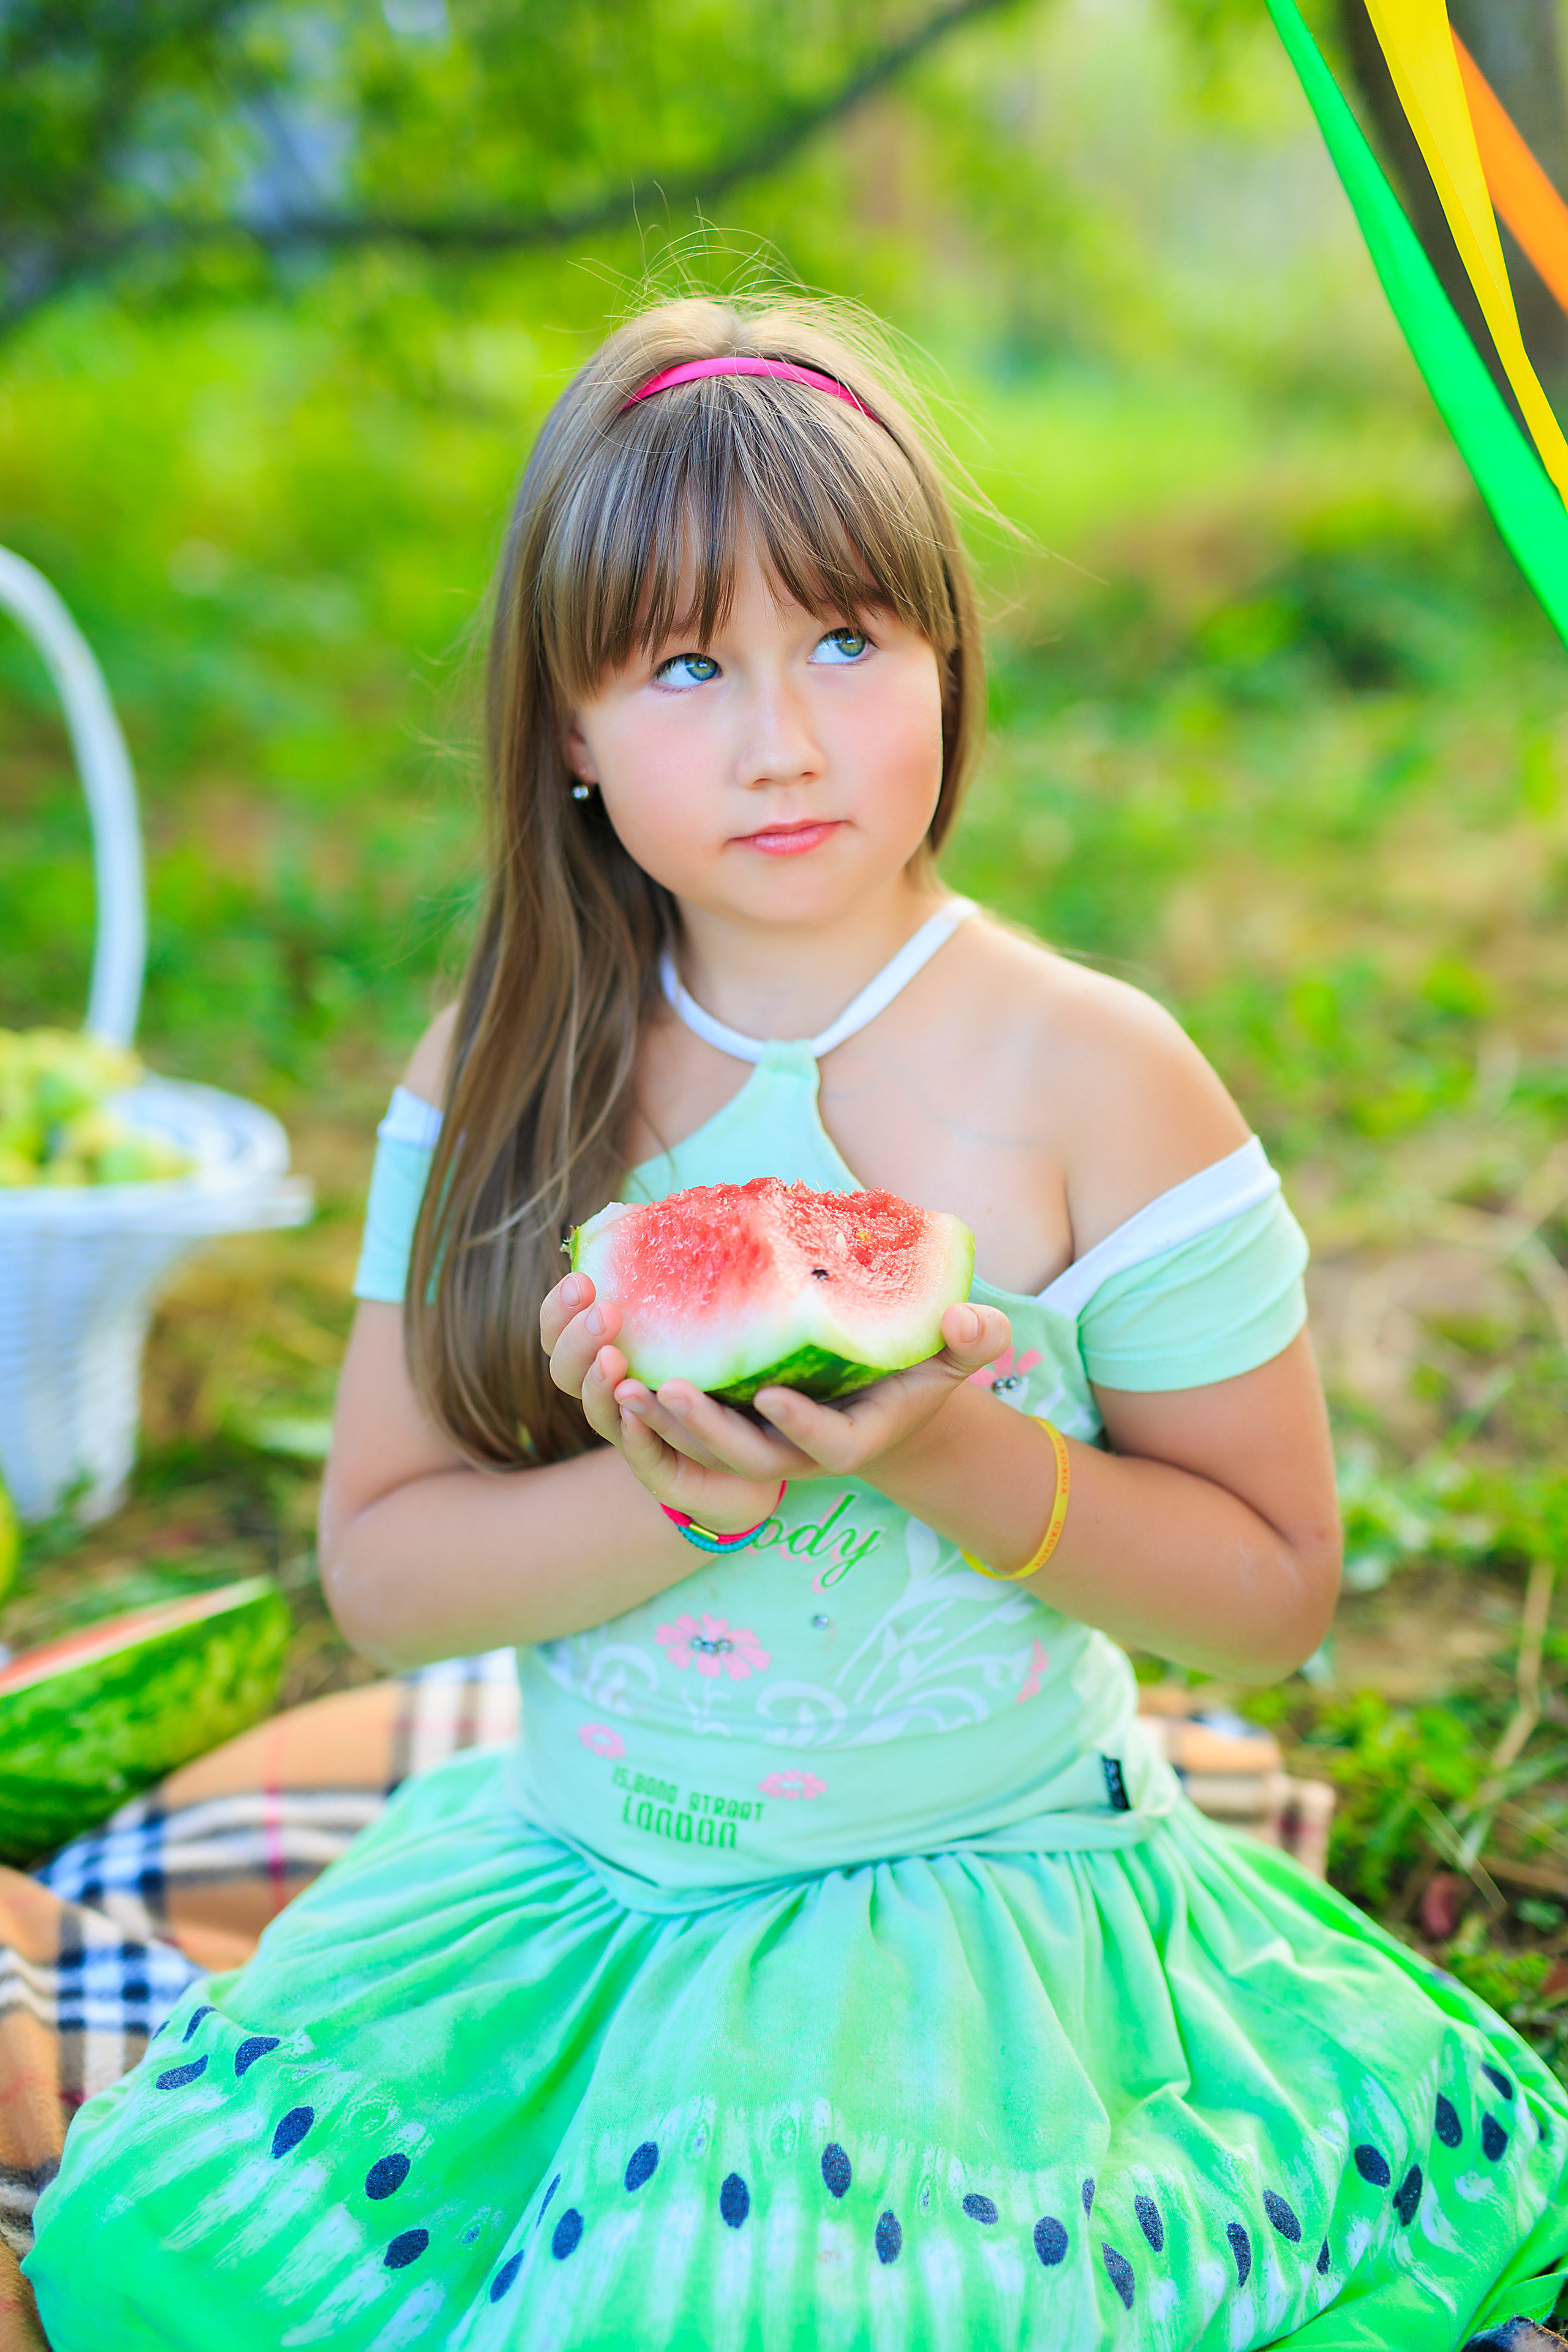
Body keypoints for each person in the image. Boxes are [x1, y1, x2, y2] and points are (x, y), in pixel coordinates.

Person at [24, 296, 1568, 2352]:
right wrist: (672, 1500)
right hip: (583, 1890)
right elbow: (387, 1581)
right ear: (567, 733)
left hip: (974, 1917)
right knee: (150, 2255)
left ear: (948, 662)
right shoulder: (499, 1062)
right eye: (685, 666)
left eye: (847, 642)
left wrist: (950, 1451)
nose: (782, 736)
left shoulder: (1099, 1074)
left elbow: (1274, 1598)